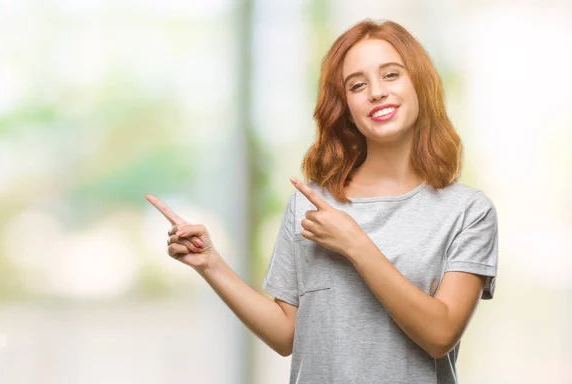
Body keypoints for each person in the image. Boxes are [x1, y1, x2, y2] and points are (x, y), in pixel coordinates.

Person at [146, 18, 498, 384]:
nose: (376, 92)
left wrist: (354, 243)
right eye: (357, 85)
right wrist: (211, 264)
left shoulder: (468, 212)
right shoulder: (309, 206)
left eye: (392, 75)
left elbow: (440, 335)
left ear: (420, 84)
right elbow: (285, 335)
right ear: (345, 107)